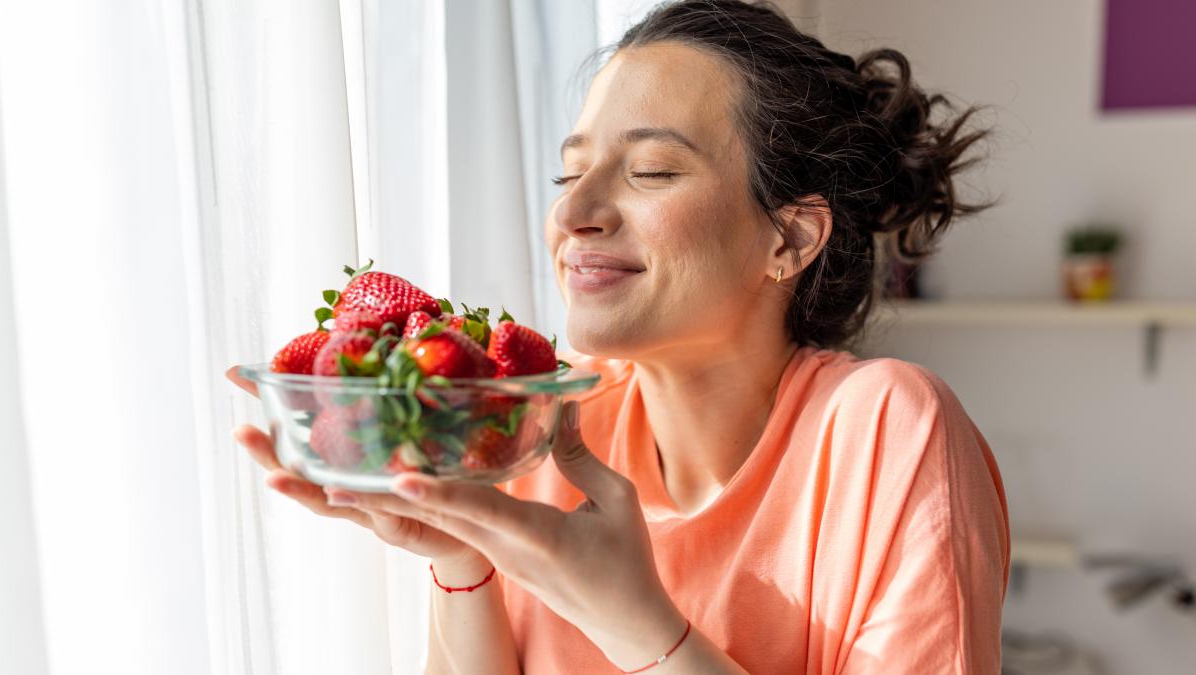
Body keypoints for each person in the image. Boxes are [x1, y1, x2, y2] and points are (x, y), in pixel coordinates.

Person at [231, 1, 1009, 672]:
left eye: (652, 171)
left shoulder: (886, 427)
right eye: (570, 176)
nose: (575, 216)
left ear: (790, 239)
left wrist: (634, 621)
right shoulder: (548, 413)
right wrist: (460, 554)